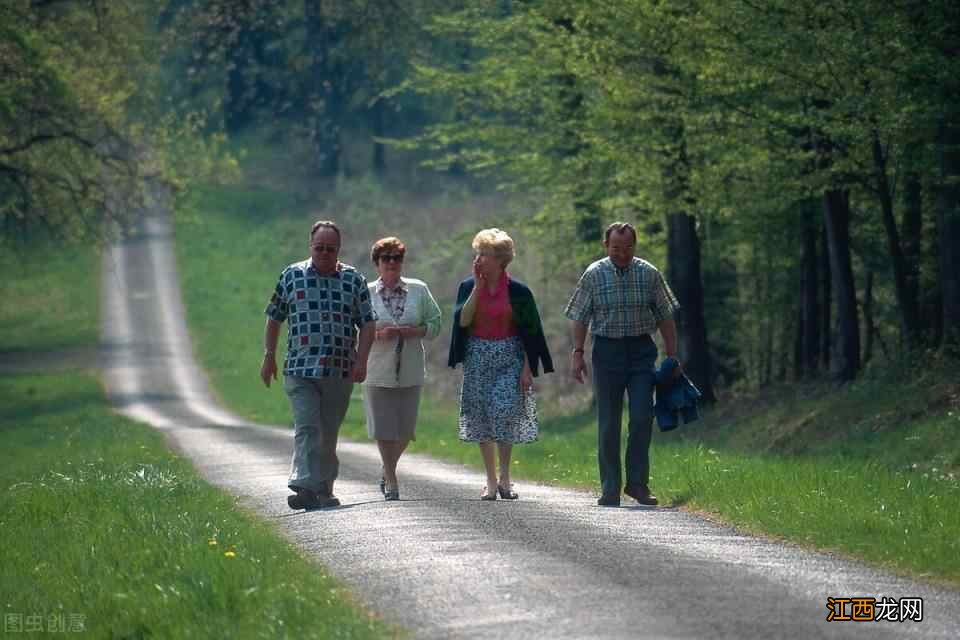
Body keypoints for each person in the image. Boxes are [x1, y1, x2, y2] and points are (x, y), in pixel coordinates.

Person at [260, 220, 376, 510]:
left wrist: (362, 361)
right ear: (310, 246)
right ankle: (304, 485)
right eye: (319, 248)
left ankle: (323, 489)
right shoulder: (291, 276)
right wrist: (269, 355)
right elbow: (274, 317)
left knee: (328, 432)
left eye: (330, 249)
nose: (324, 253)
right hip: (300, 369)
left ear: (339, 250)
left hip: (339, 370)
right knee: (307, 426)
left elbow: (368, 323)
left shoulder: (353, 280)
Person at [564, 222, 680, 507]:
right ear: (606, 246)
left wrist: (672, 355)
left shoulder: (649, 273)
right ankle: (610, 488)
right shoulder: (593, 274)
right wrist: (578, 352)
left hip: (641, 352)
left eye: (628, 247)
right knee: (609, 422)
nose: (622, 253)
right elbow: (579, 316)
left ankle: (637, 485)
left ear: (635, 245)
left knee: (642, 416)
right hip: (606, 352)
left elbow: (665, 315)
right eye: (616, 248)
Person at [449, 228, 554, 500]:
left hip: (510, 357)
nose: (478, 259)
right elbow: (463, 321)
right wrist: (477, 287)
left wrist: (527, 368)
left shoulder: (519, 292)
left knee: (505, 411)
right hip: (477, 357)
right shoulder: (467, 287)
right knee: (482, 416)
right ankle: (491, 481)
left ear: (500, 260)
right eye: (477, 253)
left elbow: (531, 333)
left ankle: (506, 477)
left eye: (484, 254)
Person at [363, 237, 442, 501]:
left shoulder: (418, 289)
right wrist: (377, 334)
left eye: (397, 258)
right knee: (383, 428)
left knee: (406, 429)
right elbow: (353, 329)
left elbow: (436, 323)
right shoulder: (365, 292)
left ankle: (386, 469)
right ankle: (392, 479)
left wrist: (413, 331)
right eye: (386, 258)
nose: (392, 263)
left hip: (410, 368)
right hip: (377, 369)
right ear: (377, 263)